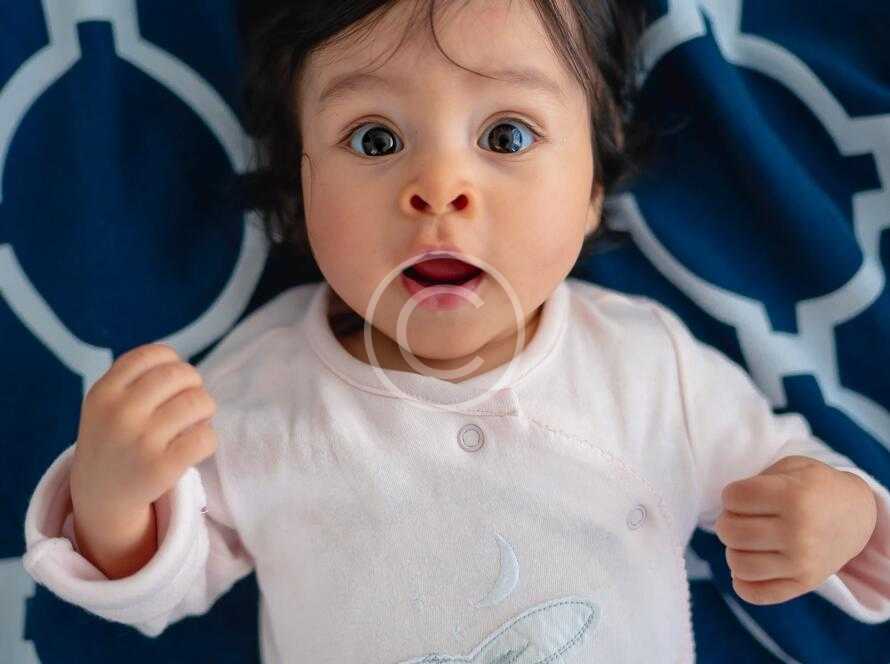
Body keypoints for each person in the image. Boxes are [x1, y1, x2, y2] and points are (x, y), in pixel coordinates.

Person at [22, 1, 890, 661]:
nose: (439, 186)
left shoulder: (646, 365)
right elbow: (160, 588)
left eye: (506, 134)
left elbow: (796, 476)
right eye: (374, 139)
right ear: (301, 181)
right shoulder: (260, 390)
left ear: (593, 185)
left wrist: (840, 517)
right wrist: (114, 501)